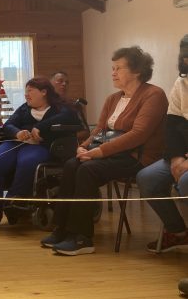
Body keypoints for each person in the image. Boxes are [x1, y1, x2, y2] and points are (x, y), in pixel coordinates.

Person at [41, 46, 169, 256]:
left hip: (137, 156)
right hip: (111, 153)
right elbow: (100, 130)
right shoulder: (113, 98)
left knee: (87, 170)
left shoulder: (153, 95)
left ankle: (82, 238)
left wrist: (99, 152)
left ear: (137, 71)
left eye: (118, 68)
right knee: (72, 164)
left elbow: (138, 135)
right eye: (112, 68)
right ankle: (61, 229)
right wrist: (84, 146)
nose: (113, 72)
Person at [0, 77, 80, 227]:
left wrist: (41, 126)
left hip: (40, 146)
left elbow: (70, 117)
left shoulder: (59, 108)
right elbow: (9, 125)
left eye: (30, 91)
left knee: (26, 163)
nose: (26, 95)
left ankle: (14, 203)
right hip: (15, 143)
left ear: (44, 92)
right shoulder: (24, 108)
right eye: (26, 91)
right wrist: (17, 133)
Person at [137, 36, 188, 254]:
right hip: (182, 153)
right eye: (185, 56)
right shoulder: (181, 83)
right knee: (147, 179)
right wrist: (177, 157)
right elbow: (173, 123)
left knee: (186, 182)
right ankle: (179, 233)